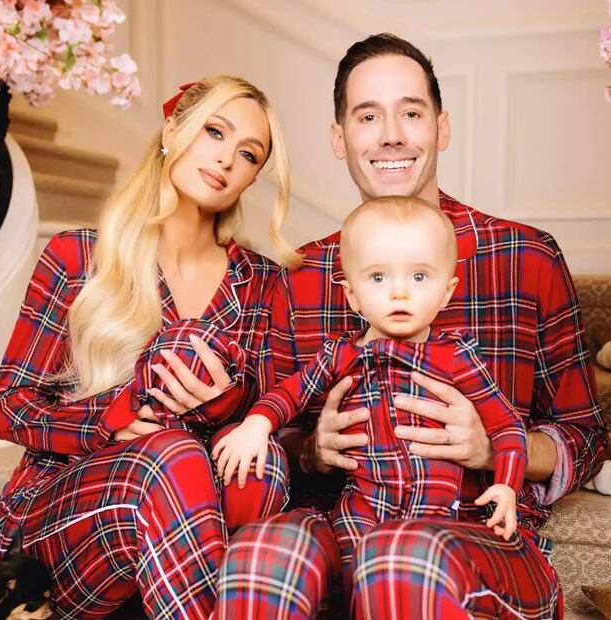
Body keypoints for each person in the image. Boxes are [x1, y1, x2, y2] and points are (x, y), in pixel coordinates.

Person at [213, 34, 607, 620]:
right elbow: (274, 430)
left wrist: (495, 448)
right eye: (368, 116)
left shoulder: (525, 257)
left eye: (412, 113)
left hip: (473, 535)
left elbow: (586, 435)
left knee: (399, 557)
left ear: (441, 128)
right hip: (347, 523)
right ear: (339, 138)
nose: (391, 134)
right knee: (262, 555)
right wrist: (312, 450)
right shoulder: (301, 276)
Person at [0, 75, 299, 619]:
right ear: (172, 129)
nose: (226, 159)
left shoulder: (263, 284)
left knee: (260, 463)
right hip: (65, 519)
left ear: (253, 176)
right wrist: (111, 419)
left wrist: (227, 406)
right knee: (169, 457)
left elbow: (279, 421)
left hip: (192, 527)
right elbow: (7, 408)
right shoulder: (79, 256)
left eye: (249, 153)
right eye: (215, 132)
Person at [214, 196, 527, 588]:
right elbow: (289, 394)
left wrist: (507, 483)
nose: (399, 293)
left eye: (419, 277)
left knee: (416, 575)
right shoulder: (341, 355)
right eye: (378, 278)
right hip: (361, 507)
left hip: (435, 516)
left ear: (447, 292)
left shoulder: (457, 357)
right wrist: (256, 424)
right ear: (352, 296)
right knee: (353, 576)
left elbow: (507, 427)